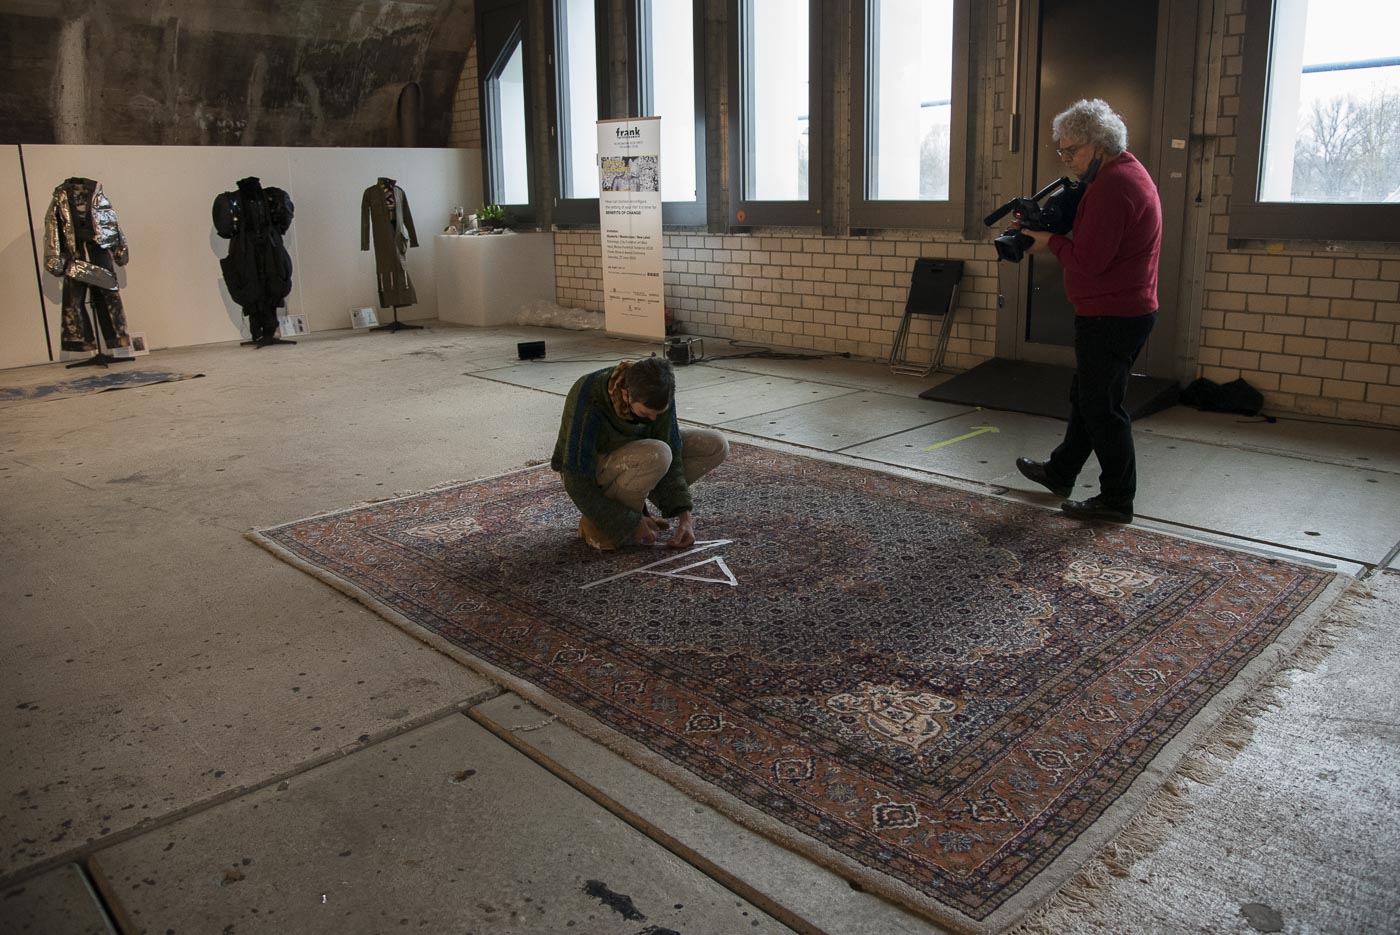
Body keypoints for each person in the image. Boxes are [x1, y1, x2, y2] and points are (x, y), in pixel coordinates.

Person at [1012, 98, 1162, 524]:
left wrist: (1048, 243)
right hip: (1120, 309)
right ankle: (1061, 472)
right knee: (1089, 397)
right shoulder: (1123, 172)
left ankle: (1117, 499)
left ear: (1098, 145)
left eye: (1071, 150)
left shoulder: (1114, 186)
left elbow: (1090, 261)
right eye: (1061, 151)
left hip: (1112, 314)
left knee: (1103, 408)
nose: (1067, 160)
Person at [552, 356, 729, 550]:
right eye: (645, 414)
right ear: (626, 395)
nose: (653, 419)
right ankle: (601, 520)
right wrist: (630, 522)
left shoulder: (660, 391)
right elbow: (574, 477)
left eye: (658, 413)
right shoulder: (589, 393)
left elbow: (673, 449)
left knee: (716, 444)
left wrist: (685, 517)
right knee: (658, 454)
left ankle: (644, 498)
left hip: (642, 454)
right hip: (592, 468)